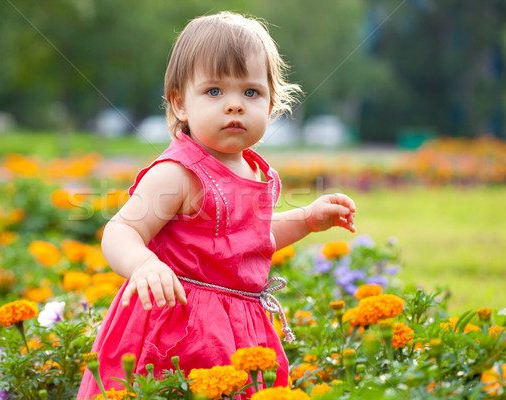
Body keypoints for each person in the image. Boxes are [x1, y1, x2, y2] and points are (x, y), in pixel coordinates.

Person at [77, 11, 356, 399]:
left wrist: (306, 219)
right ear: (180, 104)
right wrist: (143, 265)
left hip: (238, 328)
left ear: (272, 103)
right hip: (175, 327)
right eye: (214, 92)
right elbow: (121, 230)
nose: (234, 105)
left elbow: (247, 239)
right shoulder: (179, 173)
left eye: (251, 93)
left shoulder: (257, 172)